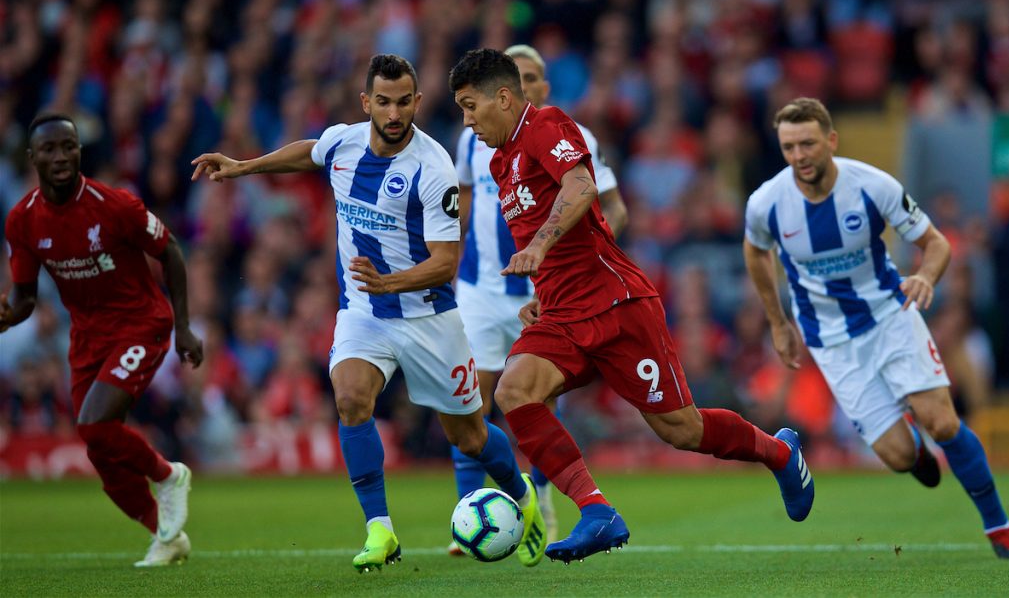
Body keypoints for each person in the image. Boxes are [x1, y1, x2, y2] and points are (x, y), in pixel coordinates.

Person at [448, 48, 814, 564]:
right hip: (560, 312)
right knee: (514, 391)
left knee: (680, 430)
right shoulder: (501, 160)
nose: (466, 120)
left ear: (503, 98)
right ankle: (596, 511)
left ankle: (780, 452)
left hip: (616, 303)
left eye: (470, 106)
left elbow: (581, 186)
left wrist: (538, 247)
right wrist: (538, 292)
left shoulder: (547, 125)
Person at [190, 54, 547, 573]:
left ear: (417, 102)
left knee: (467, 436)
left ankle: (523, 494)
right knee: (352, 398)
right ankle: (380, 529)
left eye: (404, 101)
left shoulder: (434, 167)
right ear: (367, 103)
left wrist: (391, 281)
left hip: (429, 318)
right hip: (364, 311)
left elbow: (445, 261)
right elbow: (310, 153)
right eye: (383, 102)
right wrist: (244, 167)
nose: (394, 112)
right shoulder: (345, 140)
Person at [743, 97, 1009, 560]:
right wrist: (778, 321)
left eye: (808, 143)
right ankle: (914, 450)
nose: (799, 156)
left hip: (890, 316)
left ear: (830, 141)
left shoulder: (873, 187)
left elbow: (934, 244)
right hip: (830, 342)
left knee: (943, 420)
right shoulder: (767, 202)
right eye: (789, 147)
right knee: (896, 457)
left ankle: (1001, 529)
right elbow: (755, 252)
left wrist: (925, 277)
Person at [1, 112, 204, 567]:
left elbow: (169, 250)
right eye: (49, 149)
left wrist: (184, 326)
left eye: (68, 147)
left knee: (92, 425)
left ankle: (169, 475)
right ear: (32, 157)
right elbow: (25, 297)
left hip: (141, 323)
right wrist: (7, 317)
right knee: (102, 452)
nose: (60, 157)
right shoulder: (23, 221)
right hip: (87, 337)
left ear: (79, 152)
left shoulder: (115, 205)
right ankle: (165, 535)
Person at [449, 44, 628, 551]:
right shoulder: (473, 142)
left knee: (535, 401)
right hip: (482, 286)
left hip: (547, 288)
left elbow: (606, 203)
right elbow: (465, 204)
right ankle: (471, 514)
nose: (519, 86)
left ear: (539, 87)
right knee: (470, 403)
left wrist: (583, 266)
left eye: (529, 77)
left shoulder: (571, 134)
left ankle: (542, 496)